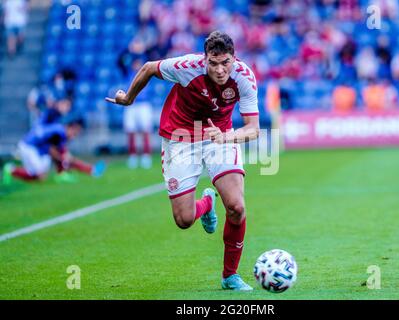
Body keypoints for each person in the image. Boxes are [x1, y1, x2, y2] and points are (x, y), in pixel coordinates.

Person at [106, 31, 260, 291]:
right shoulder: (187, 67)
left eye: (226, 63)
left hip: (218, 135)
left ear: (234, 59)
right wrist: (129, 99)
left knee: (236, 206)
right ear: (204, 59)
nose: (220, 70)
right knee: (184, 219)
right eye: (213, 63)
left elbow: (253, 128)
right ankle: (208, 202)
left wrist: (226, 137)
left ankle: (230, 276)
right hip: (180, 137)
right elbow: (148, 68)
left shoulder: (244, 77)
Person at [3, 116, 106, 184]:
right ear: (71, 127)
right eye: (74, 133)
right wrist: (62, 159)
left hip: (39, 149)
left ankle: (87, 171)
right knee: (40, 174)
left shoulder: (60, 131)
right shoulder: (59, 133)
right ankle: (11, 170)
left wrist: (63, 158)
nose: (74, 136)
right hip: (30, 147)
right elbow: (50, 149)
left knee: (41, 177)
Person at [123, 58, 154, 169]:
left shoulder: (147, 73)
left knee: (145, 130)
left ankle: (146, 155)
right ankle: (133, 156)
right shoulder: (128, 72)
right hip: (131, 103)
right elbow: (120, 60)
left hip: (144, 104)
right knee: (131, 131)